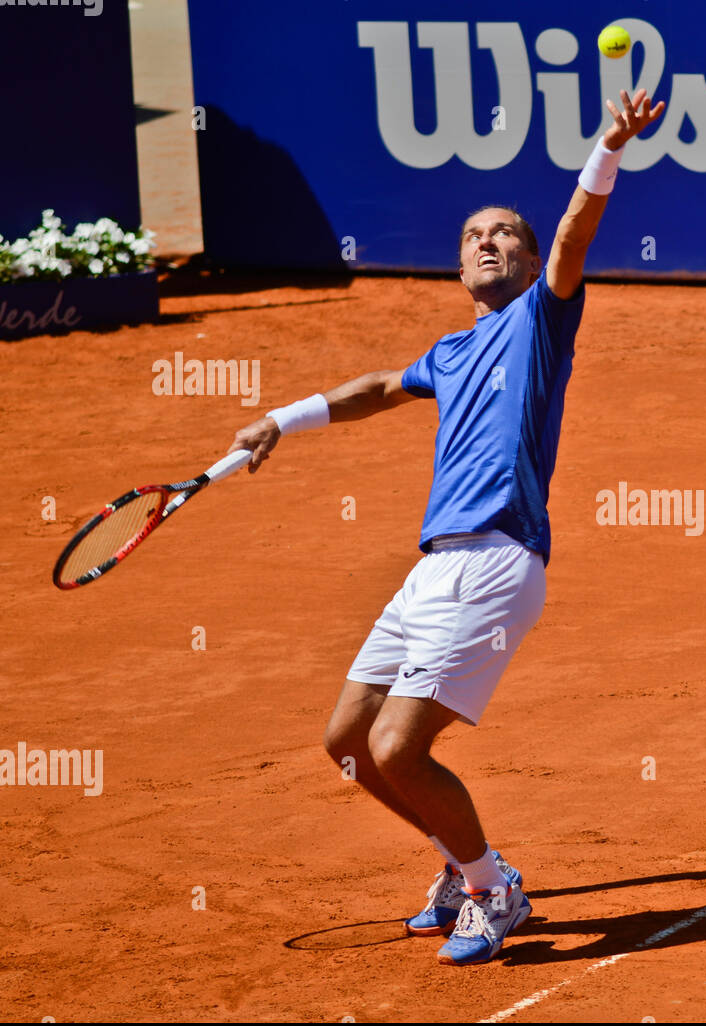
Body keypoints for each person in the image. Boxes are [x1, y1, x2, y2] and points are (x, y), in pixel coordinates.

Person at [228, 89, 665, 966]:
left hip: (499, 561)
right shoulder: (451, 351)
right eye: (473, 236)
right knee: (349, 744)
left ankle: (496, 892)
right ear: (459, 267)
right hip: (432, 568)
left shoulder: (544, 317)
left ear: (531, 258)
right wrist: (285, 414)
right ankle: (467, 868)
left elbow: (577, 232)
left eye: (505, 232)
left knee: (398, 744)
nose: (487, 241)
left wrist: (609, 147)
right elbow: (380, 390)